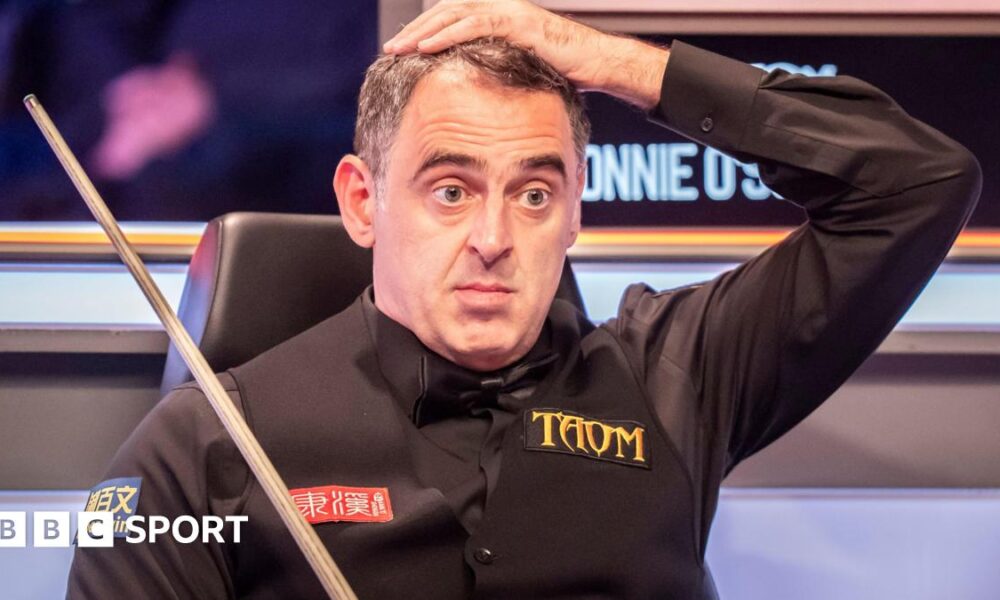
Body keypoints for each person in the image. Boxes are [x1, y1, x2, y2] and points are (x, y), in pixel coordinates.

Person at [66, 1, 982, 597]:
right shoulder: (203, 448)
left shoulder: (677, 376)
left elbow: (918, 183)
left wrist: (617, 63)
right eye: (450, 190)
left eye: (535, 193)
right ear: (362, 202)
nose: (495, 237)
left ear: (576, 210)